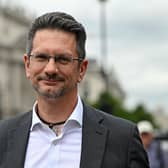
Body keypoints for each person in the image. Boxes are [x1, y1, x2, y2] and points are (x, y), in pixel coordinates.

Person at [0, 12, 149, 168]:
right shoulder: (3, 137)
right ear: (27, 65)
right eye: (42, 57)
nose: (51, 69)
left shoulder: (123, 139)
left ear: (82, 69)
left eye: (63, 59)